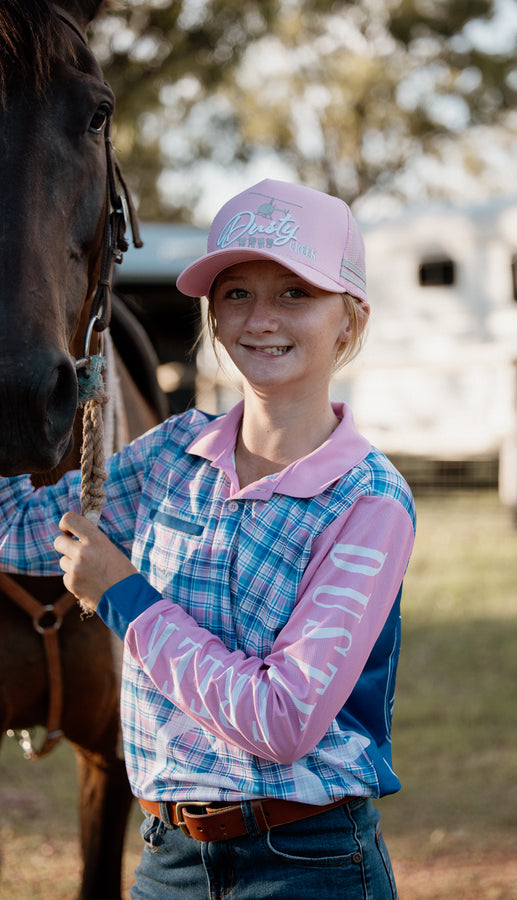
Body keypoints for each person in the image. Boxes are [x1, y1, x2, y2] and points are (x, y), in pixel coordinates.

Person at [0, 179, 415, 899]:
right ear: (213, 316)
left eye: (294, 294)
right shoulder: (171, 457)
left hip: (308, 864)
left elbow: (281, 719)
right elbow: (15, 532)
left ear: (348, 320)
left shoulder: (368, 503)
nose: (260, 319)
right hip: (169, 861)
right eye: (236, 294)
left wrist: (123, 595)